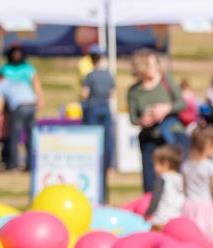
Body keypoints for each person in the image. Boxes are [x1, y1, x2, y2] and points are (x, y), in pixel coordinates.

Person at [127, 49, 180, 198]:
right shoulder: (134, 91)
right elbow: (133, 118)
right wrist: (142, 120)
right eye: (152, 63)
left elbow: (182, 103)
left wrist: (166, 108)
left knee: (172, 174)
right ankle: (150, 206)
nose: (156, 66)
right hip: (148, 137)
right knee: (150, 177)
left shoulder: (165, 80)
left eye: (156, 63)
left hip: (169, 134)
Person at [0, 44, 42, 172]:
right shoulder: (7, 71)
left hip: (19, 107)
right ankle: (31, 165)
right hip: (30, 104)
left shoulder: (1, 83)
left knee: (14, 136)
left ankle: (13, 165)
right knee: (30, 136)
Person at [179, 124, 213, 237]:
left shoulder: (186, 165)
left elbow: (184, 188)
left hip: (188, 208)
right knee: (208, 238)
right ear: (209, 145)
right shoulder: (211, 167)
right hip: (205, 209)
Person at [79, 48, 115, 194]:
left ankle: (94, 162)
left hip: (93, 107)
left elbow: (84, 93)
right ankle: (109, 165)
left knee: (93, 138)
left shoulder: (90, 76)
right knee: (107, 138)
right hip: (105, 106)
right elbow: (113, 92)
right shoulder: (108, 75)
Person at [145, 146, 186, 226]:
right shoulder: (181, 178)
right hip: (177, 218)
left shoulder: (162, 178)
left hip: (161, 219)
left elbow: (155, 199)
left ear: (165, 164)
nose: (154, 169)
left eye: (155, 165)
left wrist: (148, 213)